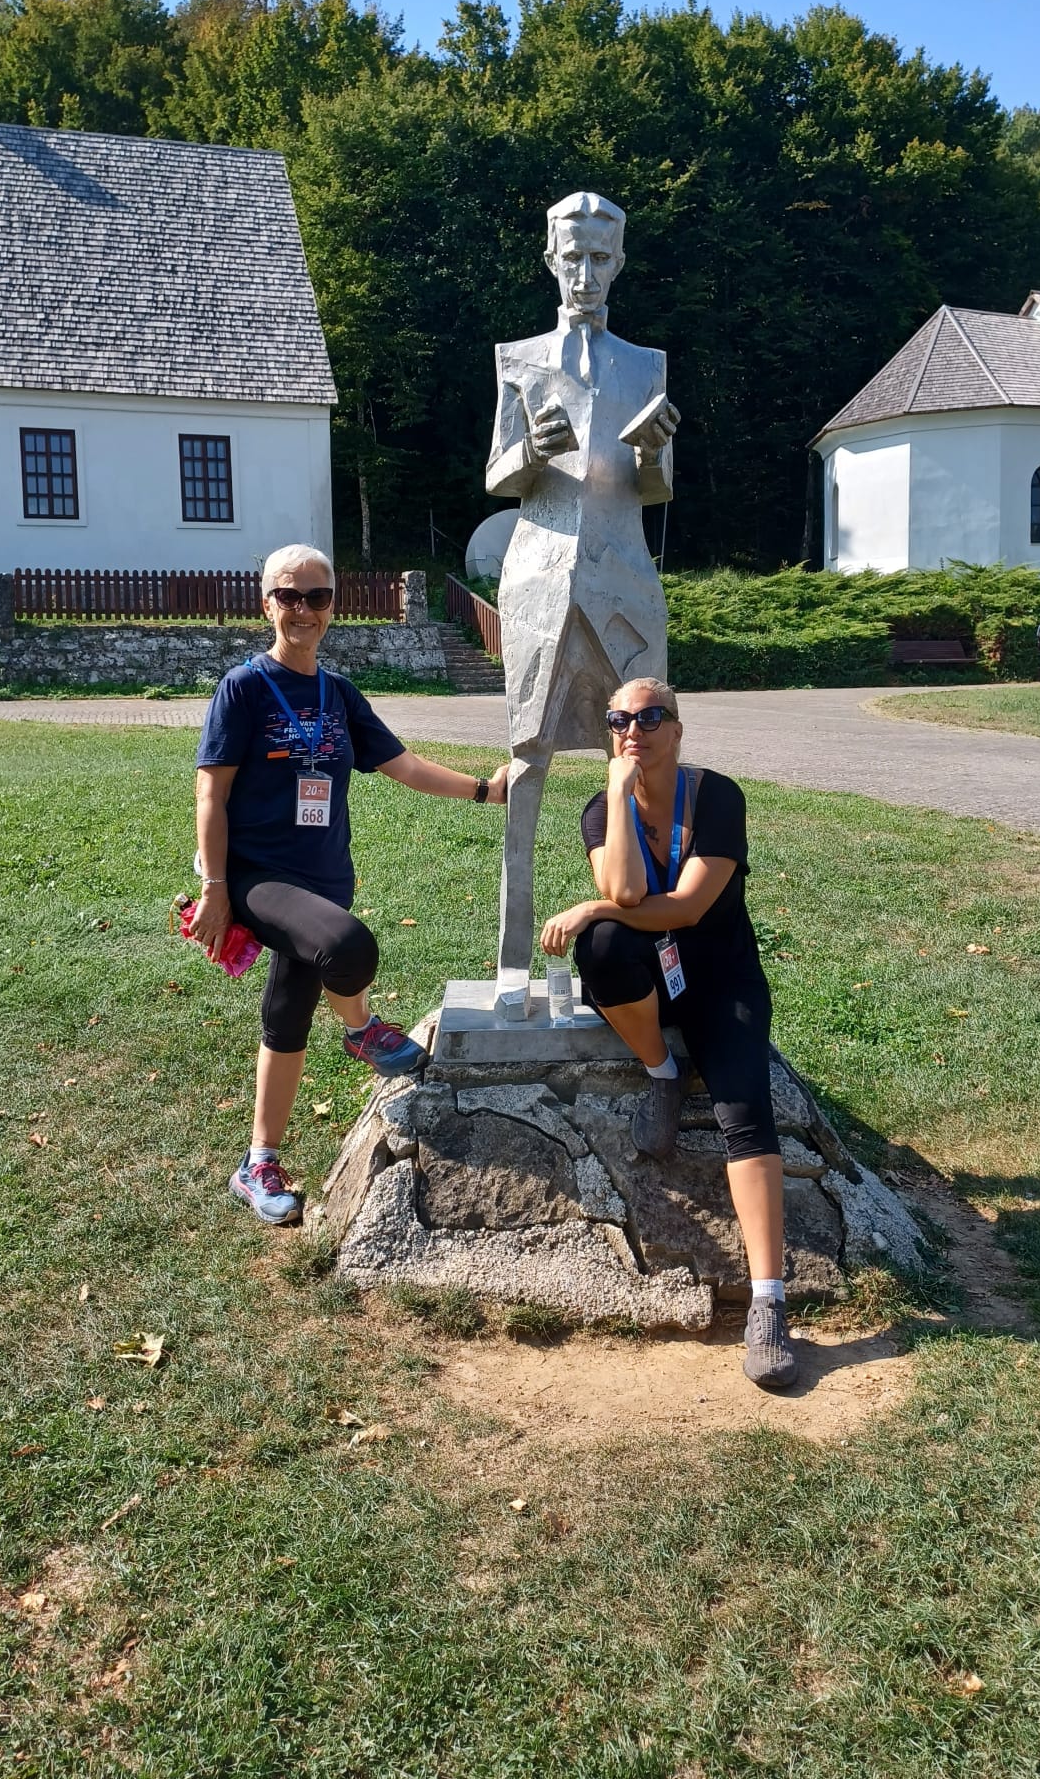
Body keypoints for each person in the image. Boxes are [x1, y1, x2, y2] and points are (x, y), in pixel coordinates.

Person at [188, 542, 508, 1227]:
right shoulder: (244, 687)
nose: (303, 610)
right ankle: (362, 1029)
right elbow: (211, 794)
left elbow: (404, 766)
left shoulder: (338, 694)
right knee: (347, 947)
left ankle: (257, 1162)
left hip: (325, 875)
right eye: (289, 596)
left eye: (317, 597)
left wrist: (485, 790)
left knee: (288, 1013)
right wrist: (215, 886)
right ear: (267, 604)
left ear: (333, 606)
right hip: (258, 876)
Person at [539, 677, 797, 1391]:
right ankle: (662, 1071)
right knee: (603, 948)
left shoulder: (717, 798)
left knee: (744, 1112)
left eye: (651, 717)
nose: (634, 730)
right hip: (652, 980)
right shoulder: (602, 810)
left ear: (677, 730)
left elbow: (685, 907)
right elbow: (626, 893)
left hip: (721, 982)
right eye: (619, 719)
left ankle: (768, 1304)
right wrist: (618, 794)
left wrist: (592, 906)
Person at [485, 190, 680, 1013]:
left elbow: (655, 489)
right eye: (573, 257)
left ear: (620, 262)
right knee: (528, 759)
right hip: (538, 576)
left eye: (601, 258)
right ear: (550, 259)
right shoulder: (518, 358)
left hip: (624, 578)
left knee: (642, 764)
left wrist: (655, 453)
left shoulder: (647, 364)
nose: (586, 273)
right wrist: (530, 450)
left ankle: (647, 961)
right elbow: (497, 475)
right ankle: (511, 964)